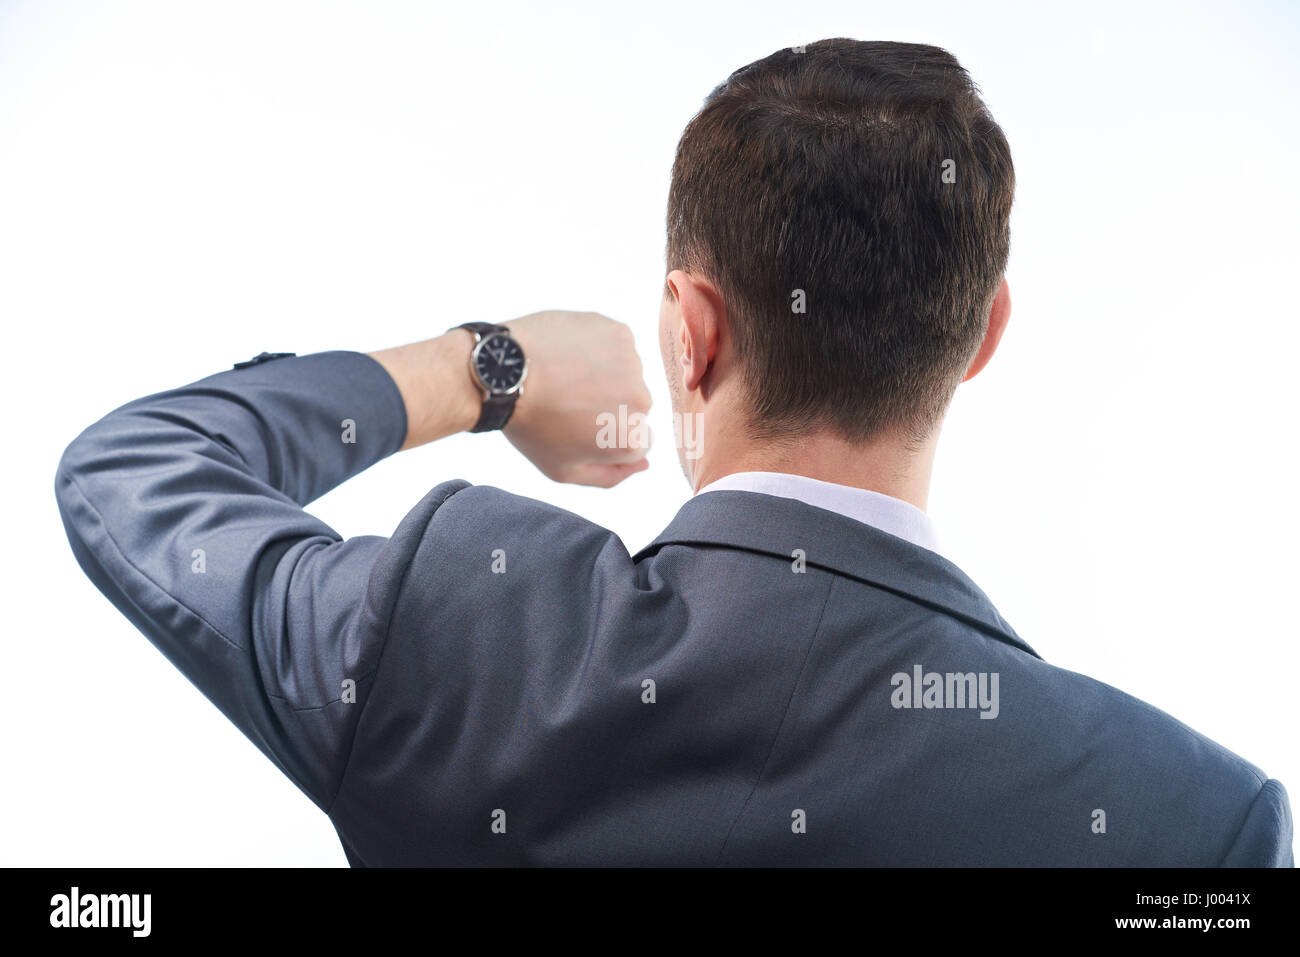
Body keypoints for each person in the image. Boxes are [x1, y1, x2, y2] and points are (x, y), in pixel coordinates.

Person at [55, 38, 1292, 866]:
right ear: (980, 339)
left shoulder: (463, 638)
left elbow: (138, 470)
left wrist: (488, 367)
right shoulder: (1191, 823)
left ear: (689, 333)